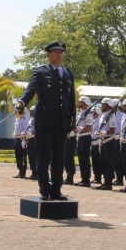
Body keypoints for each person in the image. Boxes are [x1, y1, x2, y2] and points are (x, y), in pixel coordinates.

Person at [18, 41, 76, 201]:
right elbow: (30, 89)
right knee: (43, 157)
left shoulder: (68, 74)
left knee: (59, 157)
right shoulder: (41, 72)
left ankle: (56, 189)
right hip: (44, 121)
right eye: (55, 52)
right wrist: (21, 102)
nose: (58, 54)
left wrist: (73, 120)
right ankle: (44, 189)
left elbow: (71, 99)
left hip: (61, 122)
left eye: (61, 52)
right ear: (49, 54)